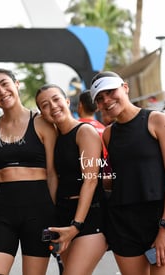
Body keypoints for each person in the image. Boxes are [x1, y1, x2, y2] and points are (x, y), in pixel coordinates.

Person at [91, 71, 165, 275]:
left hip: (161, 218)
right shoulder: (108, 133)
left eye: (110, 91)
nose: (106, 100)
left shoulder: (157, 121)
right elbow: (122, 176)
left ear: (125, 87)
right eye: (99, 98)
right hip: (124, 223)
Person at [0, 68, 58, 275]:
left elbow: (53, 174)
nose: (2, 91)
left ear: (17, 84)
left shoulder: (42, 123)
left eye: (5, 84)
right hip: (3, 211)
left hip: (39, 211)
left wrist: (58, 215)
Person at [35, 84, 108, 275]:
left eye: (56, 99)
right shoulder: (54, 138)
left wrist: (77, 224)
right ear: (41, 113)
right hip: (63, 214)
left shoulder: (85, 132)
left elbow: (91, 181)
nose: (53, 106)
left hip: (90, 217)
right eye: (45, 105)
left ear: (67, 101)